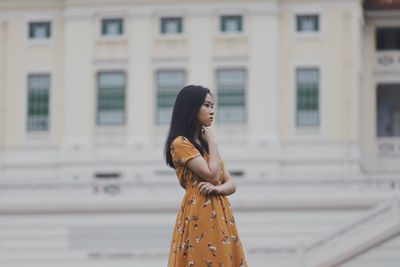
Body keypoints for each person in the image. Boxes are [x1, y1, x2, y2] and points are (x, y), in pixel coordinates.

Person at [164, 85, 248, 266]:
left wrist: (218, 189)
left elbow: (231, 184)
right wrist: (213, 141)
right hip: (198, 212)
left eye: (212, 106)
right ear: (192, 107)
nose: (212, 111)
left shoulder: (205, 145)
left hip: (220, 211)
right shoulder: (180, 143)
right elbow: (212, 174)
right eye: (207, 105)